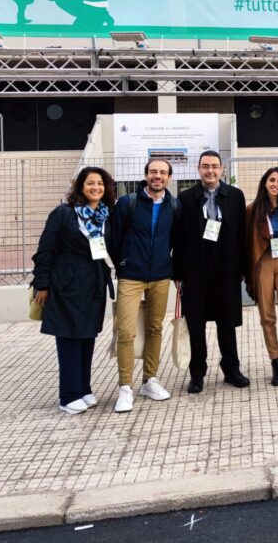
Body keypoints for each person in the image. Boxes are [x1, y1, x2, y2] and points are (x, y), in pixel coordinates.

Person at [32, 166, 116, 415]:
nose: (95, 188)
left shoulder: (105, 215)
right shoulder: (64, 213)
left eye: (100, 184)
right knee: (69, 337)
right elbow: (45, 250)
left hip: (94, 283)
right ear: (80, 186)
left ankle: (83, 388)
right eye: (90, 183)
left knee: (88, 335)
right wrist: (42, 284)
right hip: (66, 283)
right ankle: (68, 395)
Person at [172, 150, 250, 393]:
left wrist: (243, 268)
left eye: (215, 166)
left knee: (226, 323)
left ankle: (231, 369)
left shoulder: (235, 196)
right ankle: (197, 373)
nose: (210, 171)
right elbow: (178, 238)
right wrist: (178, 273)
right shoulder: (186, 198)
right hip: (195, 271)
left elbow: (242, 234)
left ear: (222, 169)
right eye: (205, 166)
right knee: (196, 324)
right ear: (198, 169)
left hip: (226, 270)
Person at [108, 158, 180, 413]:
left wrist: (172, 269)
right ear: (146, 175)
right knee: (126, 331)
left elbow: (176, 240)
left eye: (162, 172)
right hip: (131, 276)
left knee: (154, 328)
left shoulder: (174, 205)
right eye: (153, 172)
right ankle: (125, 387)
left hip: (160, 276)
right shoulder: (128, 203)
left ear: (169, 177)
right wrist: (123, 263)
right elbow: (113, 238)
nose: (157, 176)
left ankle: (149, 380)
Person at [245, 167, 278, 386]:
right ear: (264, 183)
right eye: (271, 180)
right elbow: (246, 241)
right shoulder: (252, 209)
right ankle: (275, 362)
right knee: (267, 316)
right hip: (263, 262)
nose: (275, 184)